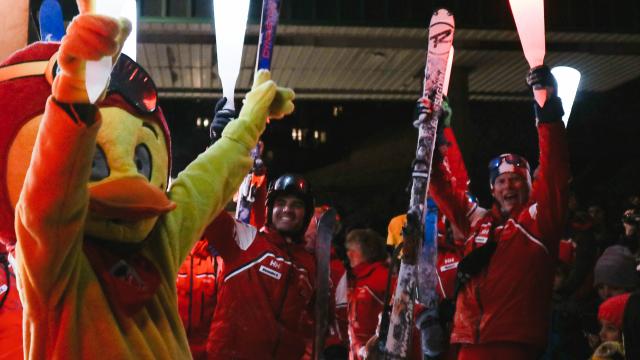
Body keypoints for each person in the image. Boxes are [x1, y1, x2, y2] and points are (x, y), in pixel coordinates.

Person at [12, 13, 293, 359]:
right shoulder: (56, 262)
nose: (130, 180)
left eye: (142, 163)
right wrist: (74, 94)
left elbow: (204, 183)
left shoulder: (156, 243)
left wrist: (248, 124)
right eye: (96, 164)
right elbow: (49, 196)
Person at [429, 65, 570, 359]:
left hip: (514, 345)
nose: (509, 186)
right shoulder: (478, 222)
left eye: (518, 179)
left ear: (531, 186)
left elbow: (555, 171)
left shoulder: (538, 222)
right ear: (492, 189)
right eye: (502, 181)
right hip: (467, 343)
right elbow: (442, 189)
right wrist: (435, 134)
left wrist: (548, 112)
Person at [205, 174, 318, 359]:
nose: (287, 209)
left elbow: (317, 322)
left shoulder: (310, 264)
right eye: (281, 203)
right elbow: (205, 206)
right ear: (270, 208)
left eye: (297, 205)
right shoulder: (246, 239)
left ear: (307, 214)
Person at [344, 229, 389, 360]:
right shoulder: (352, 280)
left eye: (353, 251)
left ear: (369, 251)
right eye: (348, 251)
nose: (349, 255)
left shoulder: (383, 277)